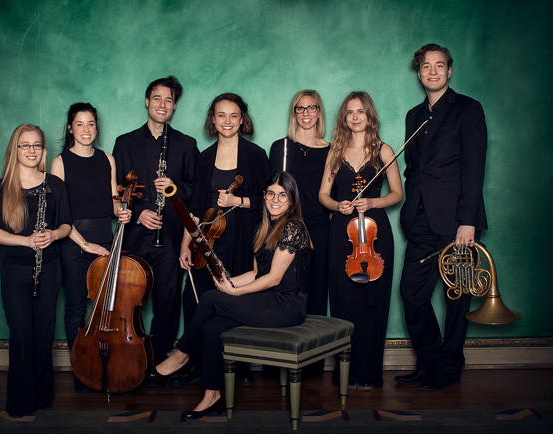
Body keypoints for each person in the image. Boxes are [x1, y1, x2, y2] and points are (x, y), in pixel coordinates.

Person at [147, 170, 312, 419]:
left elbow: (274, 278)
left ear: (292, 200)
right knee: (212, 328)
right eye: (270, 194)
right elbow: (257, 273)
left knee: (211, 298)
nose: (275, 200)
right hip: (267, 301)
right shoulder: (266, 227)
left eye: (282, 195)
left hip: (287, 305)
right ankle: (212, 397)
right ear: (264, 196)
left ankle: (180, 355)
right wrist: (229, 282)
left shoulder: (293, 227)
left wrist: (232, 293)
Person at [395, 44, 487, 392]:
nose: (432, 71)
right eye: (425, 66)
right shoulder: (414, 116)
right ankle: (428, 362)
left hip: (458, 223)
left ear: (449, 71)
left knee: (457, 296)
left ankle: (449, 368)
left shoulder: (468, 109)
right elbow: (414, 170)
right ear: (419, 73)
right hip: (420, 221)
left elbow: (474, 169)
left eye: (439, 65)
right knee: (411, 293)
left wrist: (469, 221)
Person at [172, 93, 271, 387]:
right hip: (208, 242)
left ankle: (236, 366)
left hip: (243, 240)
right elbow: (194, 208)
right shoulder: (204, 158)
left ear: (243, 120)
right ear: (212, 120)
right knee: (194, 300)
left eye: (233, 115)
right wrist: (184, 244)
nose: (227, 121)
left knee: (234, 301)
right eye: (221, 115)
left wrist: (237, 201)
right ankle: (197, 364)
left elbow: (271, 200)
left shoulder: (256, 155)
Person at [0, 124, 72, 417]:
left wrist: (54, 235)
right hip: (15, 270)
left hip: (50, 267)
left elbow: (66, 224)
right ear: (15, 149)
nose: (31, 150)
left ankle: (42, 396)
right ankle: (20, 401)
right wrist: (25, 240)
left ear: (43, 149)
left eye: (36, 145)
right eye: (25, 145)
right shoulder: (2, 187)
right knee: (22, 334)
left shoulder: (55, 185)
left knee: (44, 333)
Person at [318, 91, 402, 390]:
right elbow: (323, 195)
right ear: (344, 118)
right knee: (344, 300)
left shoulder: (384, 149)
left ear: (370, 116)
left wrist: (373, 203)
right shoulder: (335, 151)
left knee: (372, 302)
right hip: (343, 230)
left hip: (374, 234)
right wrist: (336, 205)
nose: (355, 117)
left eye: (361, 112)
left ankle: (369, 373)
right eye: (350, 112)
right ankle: (347, 375)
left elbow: (396, 194)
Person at [113, 76, 199, 365]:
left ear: (174, 107)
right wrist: (139, 213)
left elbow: (195, 190)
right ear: (147, 101)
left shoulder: (187, 144)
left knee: (168, 299)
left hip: (171, 236)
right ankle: (129, 354)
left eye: (169, 100)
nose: (163, 104)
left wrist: (174, 186)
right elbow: (115, 191)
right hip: (135, 236)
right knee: (128, 299)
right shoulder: (124, 143)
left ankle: (158, 358)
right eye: (157, 98)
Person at [50, 103, 131, 393]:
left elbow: (112, 200)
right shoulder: (60, 162)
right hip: (74, 243)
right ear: (70, 128)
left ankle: (106, 366)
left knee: (107, 308)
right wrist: (85, 244)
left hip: (105, 240)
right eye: (80, 124)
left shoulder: (107, 159)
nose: (86, 130)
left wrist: (122, 210)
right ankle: (81, 370)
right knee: (75, 308)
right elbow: (59, 214)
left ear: (97, 128)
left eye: (91, 124)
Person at [269, 89, 331, 317]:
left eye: (311, 107)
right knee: (287, 287)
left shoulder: (332, 150)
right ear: (294, 113)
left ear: (319, 112)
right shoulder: (281, 148)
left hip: (320, 227)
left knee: (317, 288)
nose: (306, 113)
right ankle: (287, 347)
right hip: (288, 227)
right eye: (300, 108)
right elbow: (272, 194)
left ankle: (316, 350)